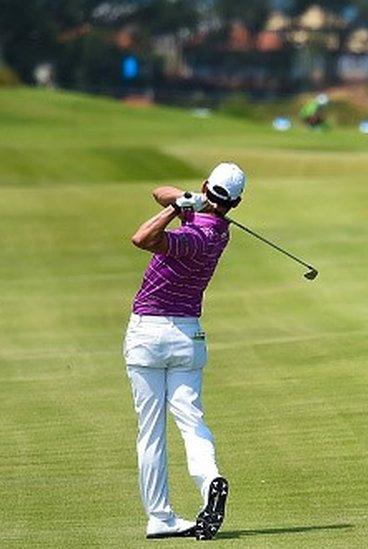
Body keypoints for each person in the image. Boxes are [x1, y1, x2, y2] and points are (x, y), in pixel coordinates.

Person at [124, 162, 245, 540]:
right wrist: (184, 200)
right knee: (192, 421)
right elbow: (159, 190)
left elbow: (141, 238)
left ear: (207, 185)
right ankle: (210, 478)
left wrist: (178, 209)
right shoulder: (217, 229)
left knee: (151, 433)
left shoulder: (196, 236)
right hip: (188, 337)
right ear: (236, 203)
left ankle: (160, 517)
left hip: (148, 333)